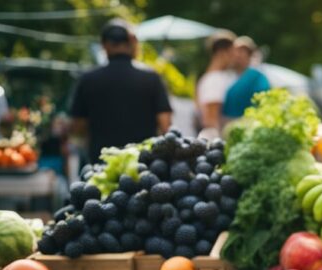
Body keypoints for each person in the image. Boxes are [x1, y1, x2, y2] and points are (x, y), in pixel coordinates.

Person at [68, 19, 171, 162]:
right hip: (143, 165)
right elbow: (165, 124)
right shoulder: (151, 78)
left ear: (104, 45)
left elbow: (78, 126)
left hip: (101, 165)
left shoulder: (87, 79)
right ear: (131, 42)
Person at [196, 30, 236, 137]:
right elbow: (211, 119)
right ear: (222, 52)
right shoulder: (214, 79)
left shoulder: (212, 77)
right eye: (232, 53)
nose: (234, 58)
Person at [222, 36, 270, 122]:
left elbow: (263, 104)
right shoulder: (226, 75)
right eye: (234, 50)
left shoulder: (257, 77)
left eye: (241, 51)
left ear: (249, 54)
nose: (236, 54)